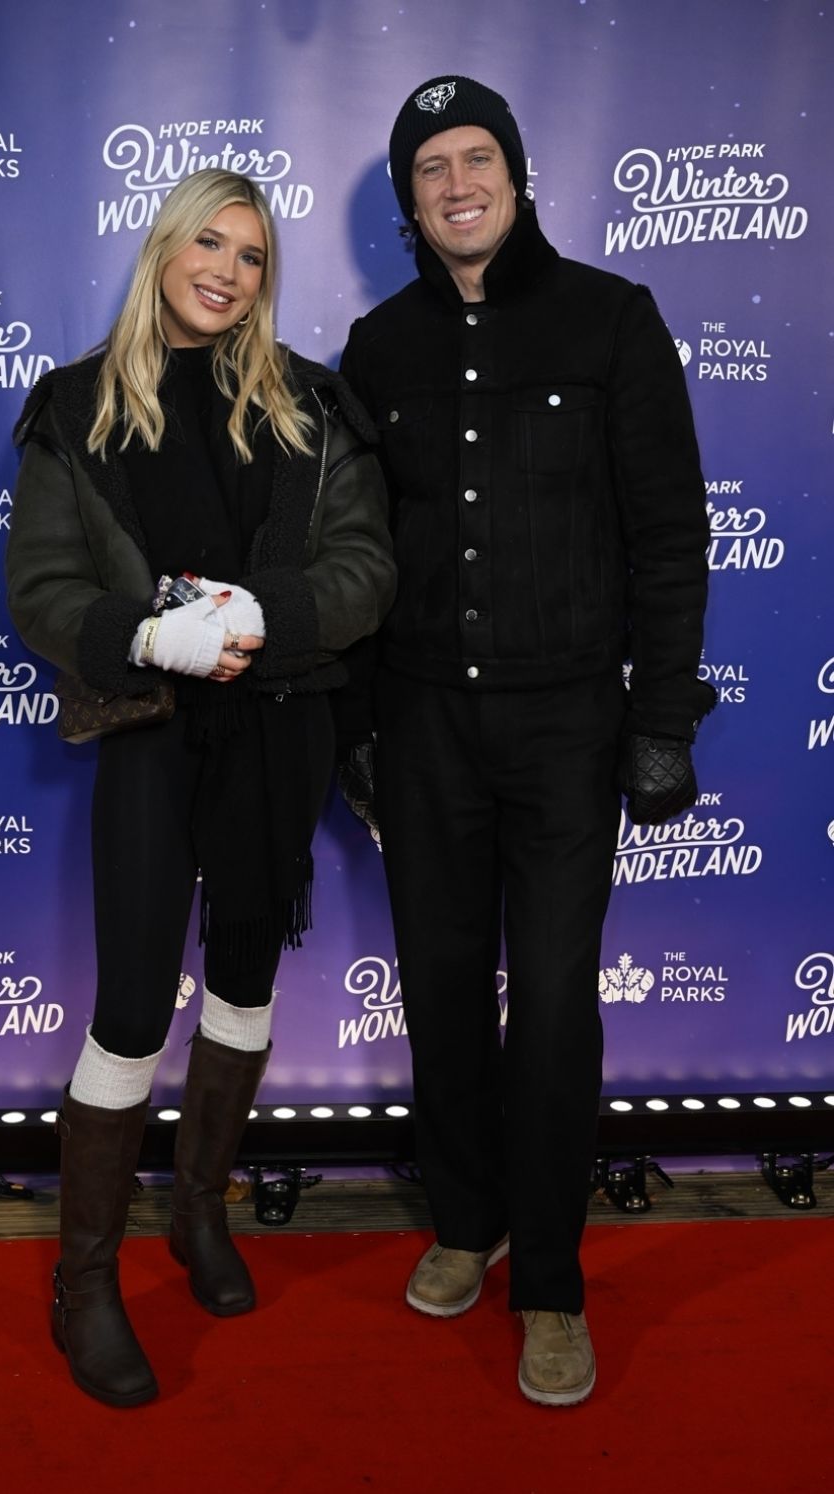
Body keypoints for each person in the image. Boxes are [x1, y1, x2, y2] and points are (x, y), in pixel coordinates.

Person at [339, 75, 714, 1406]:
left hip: (569, 726)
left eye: (475, 156)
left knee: (553, 1002)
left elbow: (672, 535)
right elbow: (355, 555)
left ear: (517, 171)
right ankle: (465, 1220)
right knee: (440, 984)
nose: (456, 182)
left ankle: (550, 1281)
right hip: (422, 720)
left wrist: (661, 717)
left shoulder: (614, 320)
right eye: (430, 166)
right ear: (409, 198)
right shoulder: (376, 349)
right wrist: (352, 728)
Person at [6, 168, 395, 1408]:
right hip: (153, 730)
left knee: (244, 981)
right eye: (209, 242)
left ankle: (200, 1210)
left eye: (253, 254)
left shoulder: (313, 406)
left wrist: (265, 613)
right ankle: (86, 1276)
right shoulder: (74, 409)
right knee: (130, 1007)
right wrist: (143, 631)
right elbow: (41, 592)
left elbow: (367, 568)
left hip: (281, 731)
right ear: (167, 246)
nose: (227, 269)